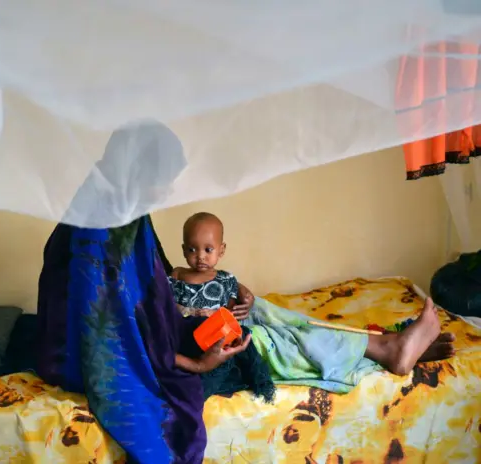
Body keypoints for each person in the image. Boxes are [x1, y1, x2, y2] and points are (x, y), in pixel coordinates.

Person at [37, 121, 250, 464]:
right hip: (78, 354)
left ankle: (361, 343)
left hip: (119, 333)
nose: (165, 193)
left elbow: (152, 280)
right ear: (135, 170)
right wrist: (196, 365)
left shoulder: (117, 201)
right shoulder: (101, 229)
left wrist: (234, 289)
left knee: (250, 319)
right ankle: (360, 345)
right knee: (174, 420)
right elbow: (109, 338)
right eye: (161, 181)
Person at [165, 211, 456, 393]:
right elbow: (164, 318)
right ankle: (389, 349)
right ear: (182, 250)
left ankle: (388, 345)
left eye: (207, 249)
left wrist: (247, 294)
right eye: (192, 250)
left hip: (235, 319)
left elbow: (230, 282)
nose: (200, 256)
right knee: (292, 340)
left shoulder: (223, 277)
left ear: (221, 250)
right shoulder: (175, 275)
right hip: (215, 337)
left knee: (291, 322)